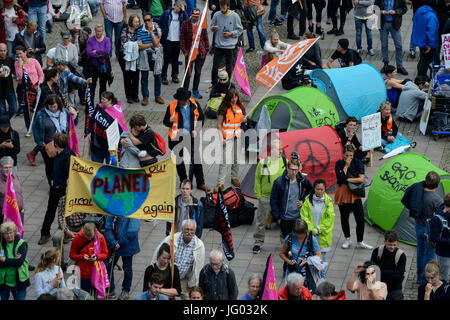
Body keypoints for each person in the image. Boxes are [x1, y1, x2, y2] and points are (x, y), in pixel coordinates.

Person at [163, 88, 209, 191]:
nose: (184, 102)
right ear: (178, 99)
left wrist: (196, 130)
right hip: (177, 138)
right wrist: (170, 121)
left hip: (191, 136)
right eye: (182, 100)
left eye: (185, 100)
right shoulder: (171, 107)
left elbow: (201, 118)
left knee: (196, 159)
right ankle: (184, 181)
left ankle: (200, 183)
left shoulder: (194, 104)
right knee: (179, 161)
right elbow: (165, 122)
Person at [152, 219, 205, 300]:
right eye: (186, 229)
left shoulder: (199, 246)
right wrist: (153, 272)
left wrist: (192, 285)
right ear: (182, 229)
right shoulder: (171, 239)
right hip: (167, 277)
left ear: (195, 230)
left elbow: (198, 268)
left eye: (191, 230)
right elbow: (157, 255)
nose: (189, 232)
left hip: (184, 280)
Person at [31, 94, 77, 188]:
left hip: (63, 144)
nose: (52, 109)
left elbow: (73, 123)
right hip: (48, 147)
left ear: (58, 105)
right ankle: (52, 185)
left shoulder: (65, 112)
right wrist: (40, 143)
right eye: (50, 106)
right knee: (50, 167)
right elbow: (35, 128)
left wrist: (75, 114)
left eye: (54, 106)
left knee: (63, 166)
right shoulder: (41, 114)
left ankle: (62, 184)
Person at [406, 171, 443, 284]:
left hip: (418, 226)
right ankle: (425, 280)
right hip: (430, 231)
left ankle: (419, 275)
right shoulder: (437, 200)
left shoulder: (418, 193)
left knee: (420, 251)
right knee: (430, 255)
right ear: (437, 185)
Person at [39, 133, 76, 245]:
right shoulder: (56, 154)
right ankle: (45, 233)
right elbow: (52, 169)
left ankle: (65, 234)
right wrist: (51, 179)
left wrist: (59, 183)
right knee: (50, 210)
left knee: (63, 212)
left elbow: (69, 174)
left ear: (56, 144)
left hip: (63, 189)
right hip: (54, 188)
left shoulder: (68, 156)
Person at [334, 144, 373, 250]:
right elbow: (340, 177)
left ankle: (360, 241)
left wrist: (347, 179)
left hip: (355, 193)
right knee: (344, 217)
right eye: (346, 155)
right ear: (342, 154)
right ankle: (347, 239)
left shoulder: (357, 162)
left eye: (350, 155)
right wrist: (346, 166)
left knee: (360, 218)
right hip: (343, 193)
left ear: (353, 154)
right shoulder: (339, 163)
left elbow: (361, 179)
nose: (348, 158)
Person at [253, 139, 286, 254]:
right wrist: (259, 195)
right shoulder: (264, 163)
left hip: (281, 198)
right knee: (261, 221)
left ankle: (285, 245)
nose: (281, 151)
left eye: (282, 149)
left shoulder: (286, 163)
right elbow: (257, 179)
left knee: (283, 221)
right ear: (271, 150)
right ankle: (258, 242)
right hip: (266, 197)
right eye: (278, 149)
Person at [270, 157, 314, 243]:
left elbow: (311, 189)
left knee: (299, 240)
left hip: (298, 216)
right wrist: (277, 217)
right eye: (291, 169)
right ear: (287, 168)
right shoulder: (279, 182)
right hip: (285, 218)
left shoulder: (302, 179)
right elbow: (273, 200)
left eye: (296, 170)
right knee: (287, 242)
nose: (294, 172)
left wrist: (303, 200)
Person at [215, 88, 247, 192]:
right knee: (224, 160)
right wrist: (221, 138)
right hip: (227, 138)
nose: (234, 99)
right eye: (232, 97)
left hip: (237, 136)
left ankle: (234, 177)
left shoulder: (240, 108)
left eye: (235, 97)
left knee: (236, 159)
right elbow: (219, 125)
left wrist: (244, 120)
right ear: (228, 98)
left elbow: (242, 120)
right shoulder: (224, 109)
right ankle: (220, 183)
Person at [300, 179, 335, 275]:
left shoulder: (328, 202)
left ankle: (322, 278)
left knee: (321, 259)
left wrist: (319, 229)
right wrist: (312, 230)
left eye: (321, 189)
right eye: (317, 189)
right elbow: (304, 216)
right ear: (314, 189)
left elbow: (330, 218)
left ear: (325, 189)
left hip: (322, 236)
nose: (319, 191)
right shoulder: (308, 201)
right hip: (311, 234)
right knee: (310, 257)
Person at [104, 214, 141, 300]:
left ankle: (126, 290)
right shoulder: (112, 210)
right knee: (109, 266)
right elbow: (108, 228)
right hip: (114, 245)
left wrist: (119, 243)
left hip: (127, 246)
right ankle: (110, 289)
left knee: (127, 268)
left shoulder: (132, 210)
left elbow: (133, 230)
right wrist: (113, 242)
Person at [279, 219, 323, 290]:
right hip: (292, 272)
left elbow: (320, 258)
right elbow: (281, 253)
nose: (299, 236)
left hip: (307, 273)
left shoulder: (312, 239)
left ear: (306, 230)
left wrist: (307, 261)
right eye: (297, 233)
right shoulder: (290, 237)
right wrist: (289, 261)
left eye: (302, 233)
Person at [52, 196, 92, 270]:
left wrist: (82, 231)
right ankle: (59, 263)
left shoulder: (84, 198)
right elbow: (61, 218)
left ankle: (82, 261)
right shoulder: (63, 199)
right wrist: (67, 231)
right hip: (68, 227)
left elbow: (89, 217)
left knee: (89, 236)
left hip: (82, 226)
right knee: (56, 237)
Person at [87, 91, 127, 164]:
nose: (101, 101)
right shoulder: (99, 107)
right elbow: (92, 119)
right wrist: (89, 132)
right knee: (96, 169)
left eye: (104, 99)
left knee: (110, 170)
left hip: (109, 149)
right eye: (101, 99)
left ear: (110, 100)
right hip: (96, 146)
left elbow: (121, 130)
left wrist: (120, 143)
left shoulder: (116, 114)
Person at [210, 0, 243, 86]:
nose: (222, 8)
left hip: (230, 46)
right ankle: (213, 84)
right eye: (221, 6)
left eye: (224, 7)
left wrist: (231, 34)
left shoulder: (235, 16)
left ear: (228, 6)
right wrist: (214, 28)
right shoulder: (216, 15)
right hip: (218, 46)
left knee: (229, 67)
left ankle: (227, 85)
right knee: (215, 67)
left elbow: (240, 30)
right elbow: (211, 27)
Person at [69, 222, 109, 293]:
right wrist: (82, 257)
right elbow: (72, 255)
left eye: (92, 237)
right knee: (84, 293)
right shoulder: (77, 238)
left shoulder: (100, 237)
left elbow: (105, 254)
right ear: (83, 232)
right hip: (83, 273)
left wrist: (97, 257)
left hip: (97, 271)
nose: (90, 238)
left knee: (97, 293)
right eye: (87, 237)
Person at [181, 7, 210, 99]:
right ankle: (185, 91)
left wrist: (206, 49)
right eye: (194, 16)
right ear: (191, 15)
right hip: (190, 53)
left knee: (198, 72)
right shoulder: (185, 24)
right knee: (188, 73)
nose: (196, 18)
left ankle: (195, 90)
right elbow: (182, 39)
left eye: (197, 16)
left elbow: (205, 36)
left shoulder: (202, 24)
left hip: (200, 53)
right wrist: (185, 51)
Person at [137, 12, 165, 106]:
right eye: (145, 20)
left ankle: (158, 96)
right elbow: (140, 46)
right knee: (144, 76)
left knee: (157, 75)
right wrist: (152, 44)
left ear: (152, 20)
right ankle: (145, 97)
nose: (147, 22)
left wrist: (151, 32)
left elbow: (157, 44)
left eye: (148, 20)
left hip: (156, 55)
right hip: (145, 55)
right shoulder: (140, 30)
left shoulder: (156, 29)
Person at [14, 45, 44, 131]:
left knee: (37, 109)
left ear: (25, 52)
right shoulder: (17, 64)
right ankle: (29, 127)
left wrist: (39, 84)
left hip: (35, 87)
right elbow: (19, 77)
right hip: (24, 90)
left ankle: (38, 126)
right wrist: (20, 66)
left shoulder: (34, 61)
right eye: (17, 54)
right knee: (26, 110)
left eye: (20, 53)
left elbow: (41, 74)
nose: (19, 56)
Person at [370, 230, 406, 300]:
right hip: (379, 287)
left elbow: (399, 276)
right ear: (385, 242)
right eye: (390, 244)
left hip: (394, 290)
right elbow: (372, 271)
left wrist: (381, 272)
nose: (392, 247)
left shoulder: (401, 255)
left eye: (394, 245)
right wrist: (392, 273)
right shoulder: (377, 252)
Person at [375, 0, 409, 75]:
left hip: (395, 24)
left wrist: (395, 11)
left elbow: (404, 9)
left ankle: (399, 66)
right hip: (383, 24)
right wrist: (381, 11)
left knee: (399, 46)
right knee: (384, 45)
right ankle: (385, 64)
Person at [159, 0, 188, 85]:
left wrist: (184, 11)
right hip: (168, 39)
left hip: (177, 40)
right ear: (174, 5)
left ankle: (174, 75)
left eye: (180, 7)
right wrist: (162, 34)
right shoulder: (167, 13)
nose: (178, 9)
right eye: (177, 6)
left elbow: (186, 22)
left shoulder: (182, 15)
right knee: (167, 58)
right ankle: (163, 76)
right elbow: (160, 23)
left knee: (175, 59)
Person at [0, 221, 30, 300]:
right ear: (3, 235)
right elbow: (15, 262)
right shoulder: (0, 244)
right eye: (6, 233)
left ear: (15, 232)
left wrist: (4, 259)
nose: (9, 235)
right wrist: (13, 260)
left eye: (11, 232)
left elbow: (19, 262)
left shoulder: (21, 244)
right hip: (3, 282)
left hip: (19, 282)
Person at [85, 24, 111, 105]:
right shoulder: (90, 40)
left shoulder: (107, 40)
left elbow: (107, 52)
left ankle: (102, 104)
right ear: (95, 31)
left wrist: (96, 51)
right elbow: (89, 52)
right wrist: (99, 55)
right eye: (97, 31)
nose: (98, 33)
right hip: (93, 67)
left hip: (103, 66)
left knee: (103, 86)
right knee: (92, 86)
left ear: (102, 31)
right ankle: (91, 104)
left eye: (100, 31)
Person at [412, 1, 439, 78]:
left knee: (422, 59)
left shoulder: (419, 10)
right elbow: (431, 31)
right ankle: (421, 78)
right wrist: (430, 45)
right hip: (427, 43)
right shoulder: (431, 16)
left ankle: (420, 76)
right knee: (425, 62)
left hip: (420, 40)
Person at [118, 14, 141, 104]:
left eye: (138, 21)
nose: (137, 23)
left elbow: (141, 42)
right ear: (131, 22)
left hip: (136, 57)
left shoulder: (139, 31)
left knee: (136, 77)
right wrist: (135, 44)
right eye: (135, 21)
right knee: (127, 77)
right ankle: (129, 96)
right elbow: (124, 44)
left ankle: (135, 95)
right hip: (125, 57)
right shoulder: (125, 30)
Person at [429, 193, 450, 281]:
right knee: (443, 278)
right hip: (443, 253)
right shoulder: (437, 219)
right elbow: (433, 237)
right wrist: (448, 241)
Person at [0, 157, 24, 225]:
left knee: (18, 234)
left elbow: (19, 193)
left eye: (10, 167)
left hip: (19, 212)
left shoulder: (14, 174)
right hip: (5, 215)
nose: (8, 170)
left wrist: (22, 208)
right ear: (1, 167)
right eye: (6, 167)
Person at [0, 43, 17, 119]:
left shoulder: (10, 59)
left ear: (7, 51)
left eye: (4, 50)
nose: (2, 52)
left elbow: (15, 71)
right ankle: (4, 126)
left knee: (14, 109)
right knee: (2, 111)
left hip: (9, 89)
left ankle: (4, 124)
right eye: (0, 50)